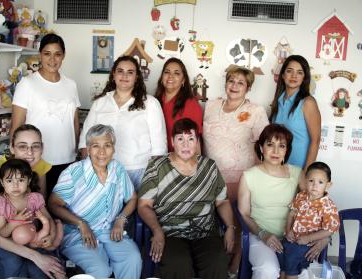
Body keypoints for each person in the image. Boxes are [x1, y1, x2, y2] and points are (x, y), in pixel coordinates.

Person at [0, 124, 65, 278]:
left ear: (42, 148)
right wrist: (36, 256)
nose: (29, 153)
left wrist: (47, 234)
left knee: (48, 268)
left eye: (35, 147)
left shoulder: (39, 166)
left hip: (19, 236)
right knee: (26, 271)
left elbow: (37, 208)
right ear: (11, 147)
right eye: (22, 146)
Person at [138, 118, 235, 279]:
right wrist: (157, 230)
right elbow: (144, 205)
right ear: (172, 141)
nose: (185, 144)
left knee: (217, 261)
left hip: (205, 232)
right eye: (180, 139)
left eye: (191, 139)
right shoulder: (157, 167)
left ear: (197, 142)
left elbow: (222, 201)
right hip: (170, 231)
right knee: (178, 263)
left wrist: (231, 227)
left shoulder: (209, 167)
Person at [49, 124, 142, 279]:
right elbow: (53, 204)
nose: (102, 152)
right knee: (100, 270)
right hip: (78, 234)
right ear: (88, 149)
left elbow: (132, 198)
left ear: (114, 148)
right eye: (95, 146)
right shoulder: (73, 172)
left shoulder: (117, 169)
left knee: (132, 259)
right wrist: (81, 223)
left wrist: (121, 219)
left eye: (107, 145)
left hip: (111, 230)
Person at [237, 124, 329, 279]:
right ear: (261, 148)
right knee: (268, 270)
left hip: (294, 237)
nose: (275, 151)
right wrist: (263, 234)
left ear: (287, 150)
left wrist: (324, 237)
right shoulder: (248, 176)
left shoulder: (296, 173)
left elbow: (319, 205)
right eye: (270, 144)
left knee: (304, 273)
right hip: (260, 236)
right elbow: (244, 214)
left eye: (282, 146)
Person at [203, 65, 268, 276]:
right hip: (211, 178)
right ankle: (213, 263)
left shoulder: (256, 111)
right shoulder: (211, 106)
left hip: (241, 180)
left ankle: (234, 266)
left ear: (248, 87)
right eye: (231, 80)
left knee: (238, 226)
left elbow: (264, 146)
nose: (234, 85)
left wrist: (258, 179)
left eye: (241, 82)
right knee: (211, 223)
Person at [79, 55, 166, 190]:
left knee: (136, 211)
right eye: (120, 71)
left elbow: (159, 147)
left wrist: (152, 179)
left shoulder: (150, 103)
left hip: (138, 171)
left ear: (136, 77)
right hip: (104, 171)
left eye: (130, 72)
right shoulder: (100, 103)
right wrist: (90, 171)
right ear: (113, 74)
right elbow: (85, 141)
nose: (124, 76)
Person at [11, 33, 81, 196]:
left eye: (57, 54)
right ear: (40, 55)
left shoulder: (71, 84)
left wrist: (76, 151)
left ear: (63, 56)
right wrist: (17, 160)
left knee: (63, 211)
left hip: (68, 160)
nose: (52, 59)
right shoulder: (27, 84)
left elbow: (75, 121)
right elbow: (16, 125)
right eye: (47, 54)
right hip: (37, 161)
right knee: (38, 211)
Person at [0, 158, 64, 278]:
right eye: (9, 181)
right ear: (2, 182)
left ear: (29, 180)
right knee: (13, 263)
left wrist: (50, 236)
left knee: (45, 267)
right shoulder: (1, 203)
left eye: (21, 180)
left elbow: (48, 219)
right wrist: (15, 223)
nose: (15, 185)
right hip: (9, 244)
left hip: (33, 240)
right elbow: (2, 233)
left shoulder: (34, 198)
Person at [279, 162, 340, 279]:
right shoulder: (301, 196)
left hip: (308, 244)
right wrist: (288, 230)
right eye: (311, 181)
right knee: (281, 253)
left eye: (320, 182)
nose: (315, 185)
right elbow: (291, 214)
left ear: (328, 185)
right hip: (292, 238)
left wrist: (308, 238)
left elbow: (330, 230)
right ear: (306, 181)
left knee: (292, 258)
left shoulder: (328, 206)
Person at [269, 55, 321, 169]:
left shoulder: (308, 102)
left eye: (299, 72)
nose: (294, 76)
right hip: (277, 168)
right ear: (282, 75)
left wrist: (306, 173)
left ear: (304, 77)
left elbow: (315, 141)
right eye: (289, 71)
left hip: (298, 169)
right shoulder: (277, 102)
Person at [155, 57, 203, 152]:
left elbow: (195, 141)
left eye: (176, 73)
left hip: (181, 161)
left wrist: (195, 165)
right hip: (158, 159)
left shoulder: (191, 105)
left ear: (183, 80)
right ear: (161, 78)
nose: (170, 76)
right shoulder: (154, 102)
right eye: (167, 72)